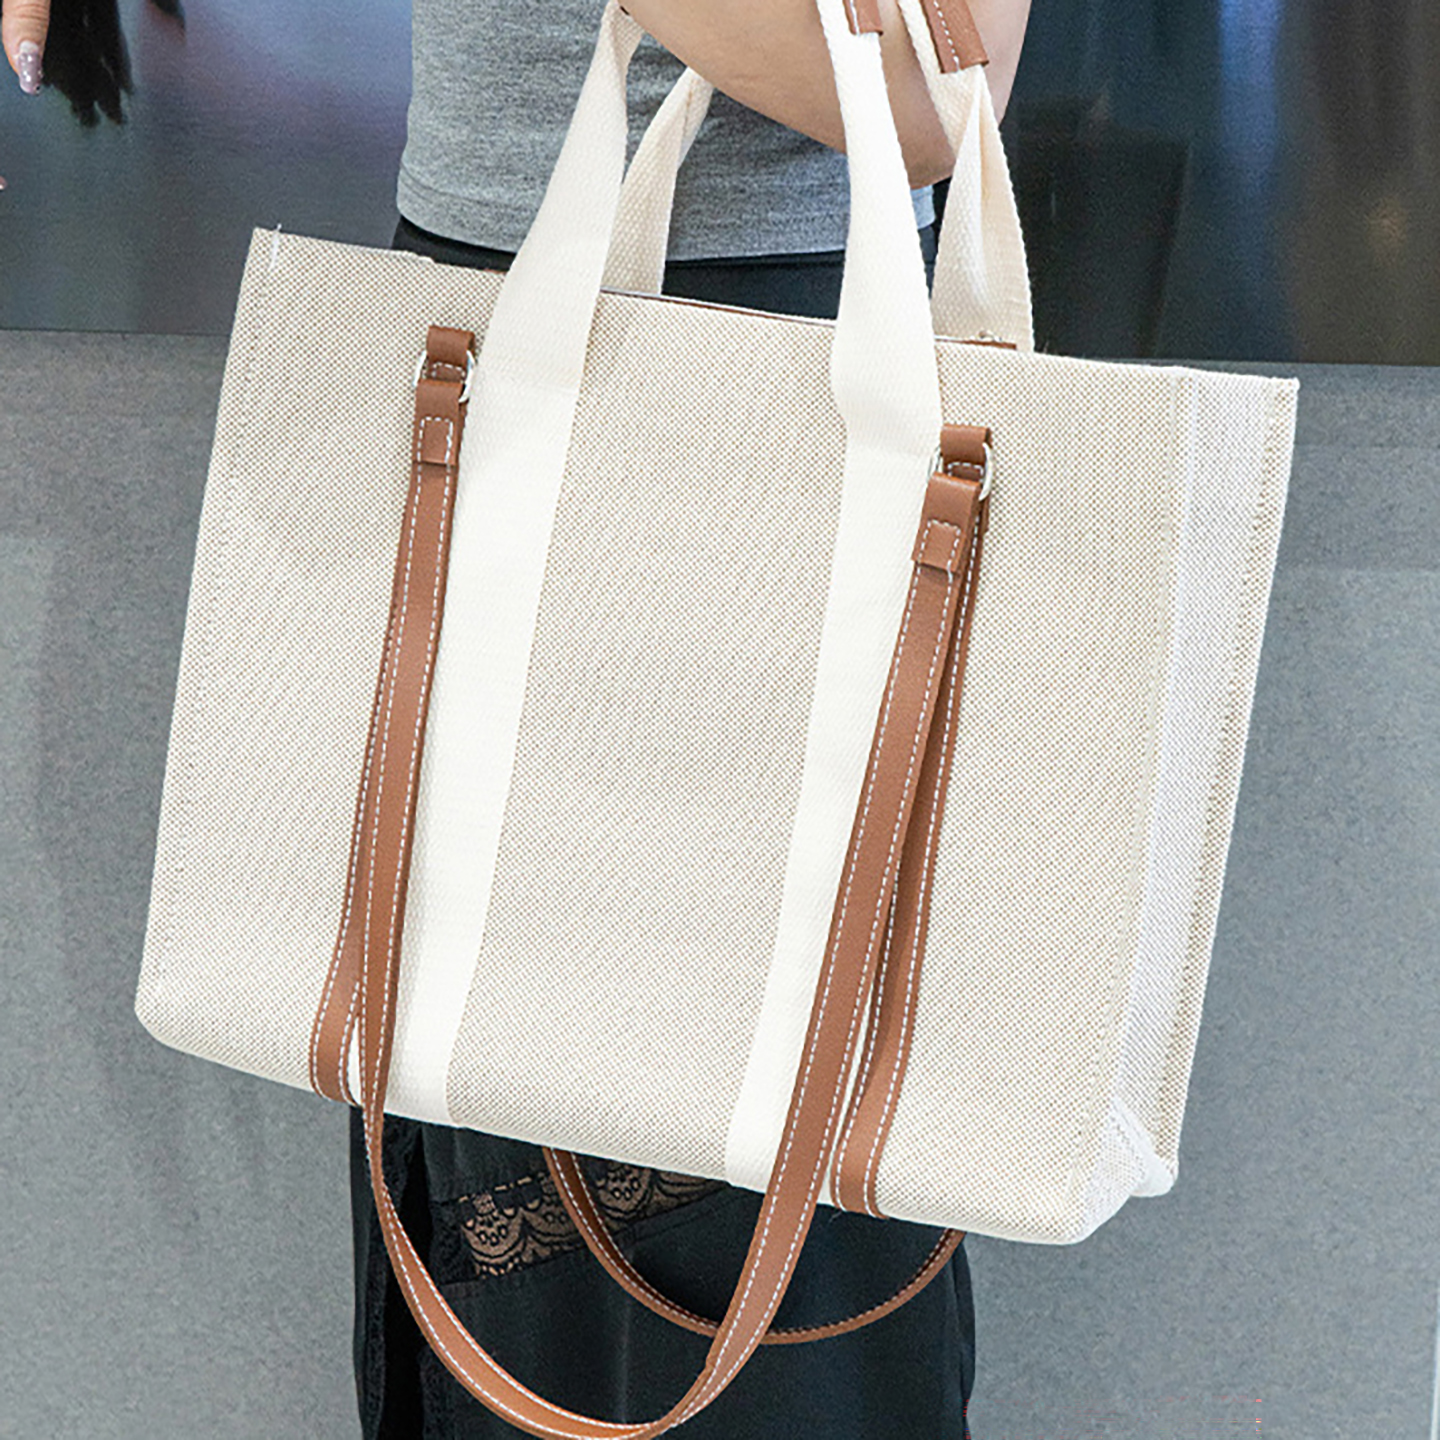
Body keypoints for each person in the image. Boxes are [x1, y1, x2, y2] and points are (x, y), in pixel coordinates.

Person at [7, 2, 1029, 1434]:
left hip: (776, 378)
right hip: (484, 309)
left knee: (754, 1197)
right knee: (478, 1138)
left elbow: (941, 82)